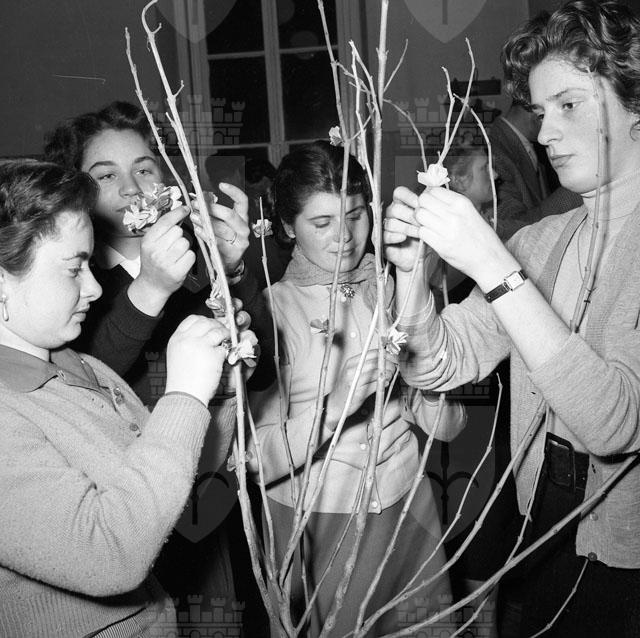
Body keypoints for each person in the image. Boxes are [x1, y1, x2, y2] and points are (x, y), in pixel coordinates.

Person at [384, 2, 640, 636]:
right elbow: (438, 364)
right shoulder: (542, 241)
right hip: (541, 514)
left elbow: (614, 422)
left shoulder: (518, 256)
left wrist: (495, 267)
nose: (546, 133)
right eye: (540, 111)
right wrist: (412, 276)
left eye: (569, 104)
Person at [0, 159, 250, 637]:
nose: (95, 287)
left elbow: (171, 490)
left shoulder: (85, 368)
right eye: (74, 269)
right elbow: (109, 555)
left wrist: (219, 390)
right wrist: (183, 395)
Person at [43, 101, 269, 629]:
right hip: (118, 507)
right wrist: (150, 286)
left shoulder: (196, 265)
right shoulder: (68, 288)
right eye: (105, 175)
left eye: (144, 169)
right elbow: (83, 375)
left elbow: (265, 373)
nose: (131, 188)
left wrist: (233, 272)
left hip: (207, 500)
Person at [247, 141, 466, 636]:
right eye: (322, 223)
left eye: (355, 215)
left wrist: (422, 375)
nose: (345, 237)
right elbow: (255, 460)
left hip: (410, 506)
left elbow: (449, 429)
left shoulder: (393, 287)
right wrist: (336, 405)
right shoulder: (270, 313)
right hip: (320, 521)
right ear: (287, 227)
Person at [490, 98, 582, 240]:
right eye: (543, 115)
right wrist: (580, 185)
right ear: (528, 105)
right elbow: (512, 227)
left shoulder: (525, 142)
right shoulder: (494, 153)